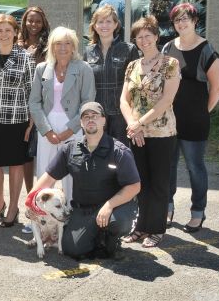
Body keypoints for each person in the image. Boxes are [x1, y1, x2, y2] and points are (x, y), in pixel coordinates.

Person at [26, 102, 140, 260]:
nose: (90, 120)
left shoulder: (119, 151)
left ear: (103, 120)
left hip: (114, 207)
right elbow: (48, 178)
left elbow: (134, 186)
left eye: (95, 116)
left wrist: (109, 205)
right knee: (71, 249)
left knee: (118, 222)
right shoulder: (70, 149)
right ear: (81, 123)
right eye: (86, 117)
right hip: (84, 209)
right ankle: (96, 236)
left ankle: (112, 240)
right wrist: (30, 202)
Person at [120, 16, 180, 248]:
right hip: (137, 133)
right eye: (139, 37)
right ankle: (141, 226)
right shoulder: (132, 66)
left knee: (159, 183)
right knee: (140, 182)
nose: (143, 40)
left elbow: (166, 100)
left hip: (162, 133)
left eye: (148, 35)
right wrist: (132, 125)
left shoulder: (170, 64)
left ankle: (156, 229)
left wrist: (140, 123)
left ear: (156, 36)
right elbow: (124, 100)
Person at [163, 3, 219, 232]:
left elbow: (217, 88)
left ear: (195, 20)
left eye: (186, 18)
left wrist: (202, 112)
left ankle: (198, 212)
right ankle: (166, 208)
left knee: (195, 168)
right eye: (177, 19)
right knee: (167, 167)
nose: (181, 23)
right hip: (168, 121)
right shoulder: (168, 47)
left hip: (195, 121)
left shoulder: (206, 48)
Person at [29, 26, 95, 201]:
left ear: (74, 46)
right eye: (58, 43)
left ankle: (73, 215)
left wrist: (70, 130)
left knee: (73, 173)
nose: (63, 47)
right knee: (44, 171)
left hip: (74, 125)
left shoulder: (83, 69)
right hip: (47, 126)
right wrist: (46, 130)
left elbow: (88, 103)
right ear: (52, 46)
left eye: (67, 43)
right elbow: (34, 102)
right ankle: (39, 215)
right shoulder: (42, 69)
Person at [0, 14, 35, 228]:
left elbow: (33, 92)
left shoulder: (25, 57)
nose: (4, 34)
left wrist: (31, 125)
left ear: (15, 32)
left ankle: (13, 208)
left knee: (15, 165)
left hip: (17, 120)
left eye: (8, 30)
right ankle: (0, 204)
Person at [84, 5, 139, 146]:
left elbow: (135, 86)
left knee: (120, 155)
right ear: (94, 26)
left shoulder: (128, 49)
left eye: (108, 21)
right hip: (96, 114)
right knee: (97, 153)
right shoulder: (88, 52)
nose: (104, 25)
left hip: (120, 115)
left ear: (116, 24)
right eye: (100, 22)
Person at [18, 5, 50, 233]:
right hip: (18, 108)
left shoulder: (48, 47)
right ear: (24, 22)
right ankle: (32, 199)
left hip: (40, 108)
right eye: (30, 20)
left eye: (38, 21)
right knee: (25, 158)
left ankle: (44, 202)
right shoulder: (18, 44)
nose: (34, 25)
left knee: (42, 158)